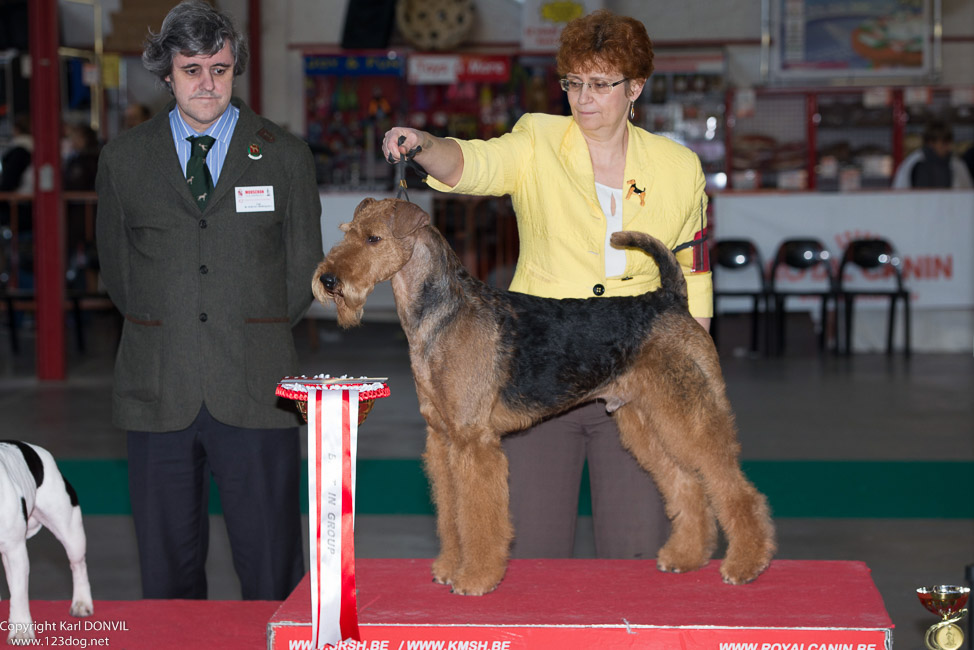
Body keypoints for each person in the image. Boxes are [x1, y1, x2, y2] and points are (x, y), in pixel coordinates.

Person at [382, 9, 711, 560]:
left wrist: (690, 360)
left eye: (601, 85)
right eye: (574, 83)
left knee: (636, 551)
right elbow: (476, 163)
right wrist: (424, 143)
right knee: (532, 553)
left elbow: (692, 267)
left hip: (638, 364)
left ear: (636, 88)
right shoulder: (537, 137)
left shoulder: (680, 166)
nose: (583, 98)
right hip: (536, 370)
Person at [95, 0, 323, 600]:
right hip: (157, 387)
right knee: (167, 574)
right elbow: (117, 272)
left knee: (273, 569)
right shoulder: (123, 160)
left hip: (256, 387)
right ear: (166, 73)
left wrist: (248, 325)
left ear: (234, 71)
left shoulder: (284, 156)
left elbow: (304, 270)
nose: (207, 83)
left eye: (219, 69)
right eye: (192, 69)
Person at [891, 120, 974, 189]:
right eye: (944, 142)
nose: (948, 146)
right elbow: (899, 194)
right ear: (931, 143)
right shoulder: (912, 163)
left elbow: (967, 195)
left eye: (949, 142)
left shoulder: (956, 164)